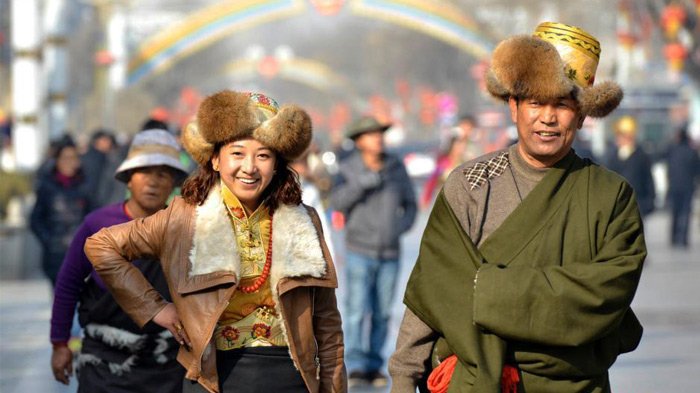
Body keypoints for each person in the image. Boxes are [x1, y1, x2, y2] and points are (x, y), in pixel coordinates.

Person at [389, 22, 645, 392]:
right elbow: (430, 295)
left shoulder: (610, 195)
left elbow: (605, 294)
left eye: (562, 105)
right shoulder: (471, 184)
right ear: (514, 106)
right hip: (475, 380)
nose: (547, 117)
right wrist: (402, 378)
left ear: (583, 115)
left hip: (573, 382)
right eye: (536, 103)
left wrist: (484, 288)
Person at [84, 90, 346, 393]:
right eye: (237, 153)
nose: (249, 167)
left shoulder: (304, 219)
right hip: (213, 380)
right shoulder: (185, 218)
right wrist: (156, 309)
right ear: (216, 160)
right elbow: (101, 246)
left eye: (263, 155)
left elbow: (327, 323)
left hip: (291, 379)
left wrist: (334, 387)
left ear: (276, 165)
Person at [50, 129, 189, 391]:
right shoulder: (98, 224)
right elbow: (68, 285)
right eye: (144, 171)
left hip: (166, 363)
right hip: (103, 360)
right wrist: (59, 343)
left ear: (173, 182)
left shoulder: (184, 227)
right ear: (128, 179)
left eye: (162, 174)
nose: (153, 181)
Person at [330, 115, 417, 387]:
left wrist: (398, 228)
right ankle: (356, 366)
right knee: (356, 310)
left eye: (380, 133)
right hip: (359, 250)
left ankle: (374, 365)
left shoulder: (395, 167)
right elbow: (338, 203)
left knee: (382, 311)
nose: (378, 138)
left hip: (390, 252)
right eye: (371, 134)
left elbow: (411, 204)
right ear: (358, 141)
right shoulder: (347, 169)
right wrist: (363, 183)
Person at [30, 137, 92, 287]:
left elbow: (93, 217)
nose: (70, 162)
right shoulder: (47, 186)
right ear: (57, 160)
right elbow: (35, 219)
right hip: (56, 255)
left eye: (74, 158)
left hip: (82, 254)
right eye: (65, 158)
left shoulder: (85, 185)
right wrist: (49, 241)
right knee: (63, 302)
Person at [605, 115, 656, 217]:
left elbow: (648, 180)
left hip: (637, 205)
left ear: (629, 136)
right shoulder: (612, 156)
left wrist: (648, 203)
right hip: (616, 206)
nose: (617, 138)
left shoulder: (641, 156)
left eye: (620, 135)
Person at [666, 125, 699, 248]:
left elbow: (668, 166)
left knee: (675, 213)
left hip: (674, 186)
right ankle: (683, 239)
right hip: (688, 187)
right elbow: (697, 170)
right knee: (685, 213)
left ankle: (674, 238)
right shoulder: (692, 152)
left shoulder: (672, 150)